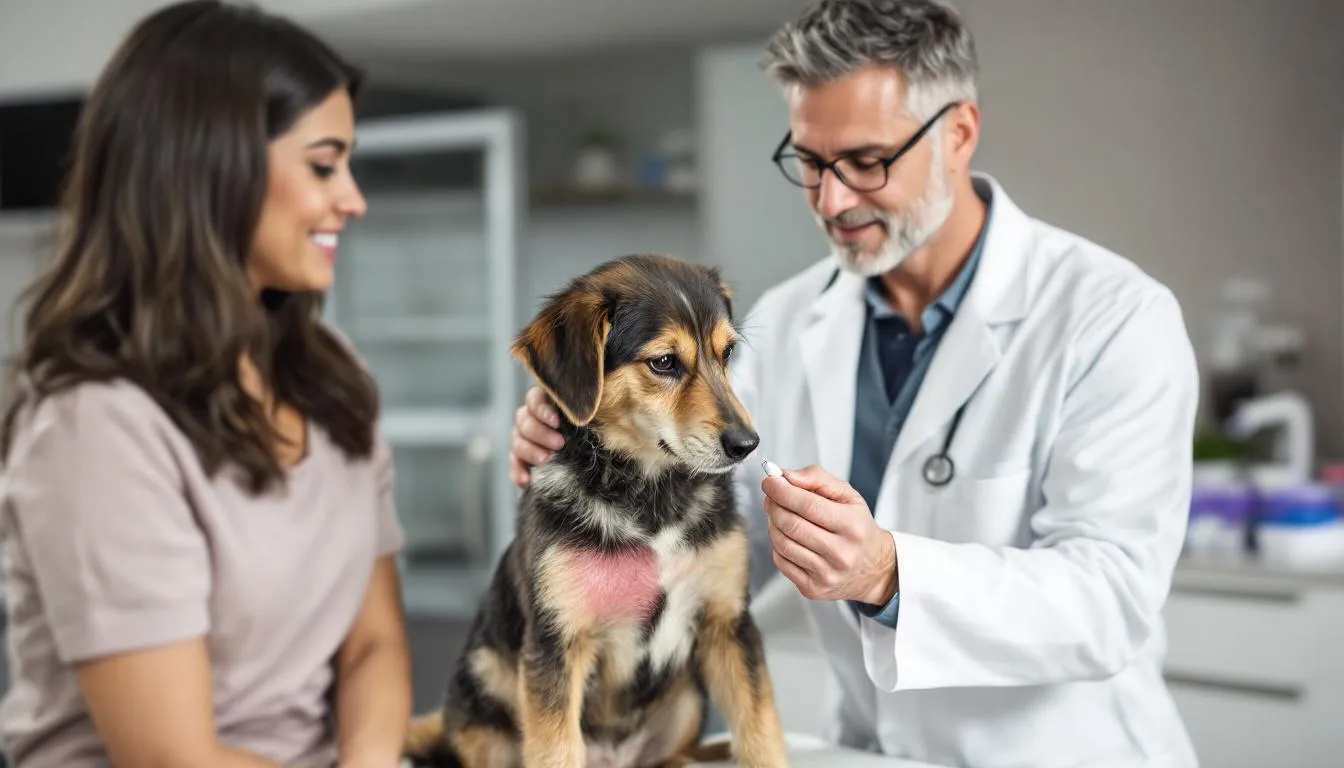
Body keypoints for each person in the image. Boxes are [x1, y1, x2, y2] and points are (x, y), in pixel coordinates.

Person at [508, 1, 1201, 766]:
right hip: (869, 750)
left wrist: (888, 572)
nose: (831, 201)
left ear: (958, 134)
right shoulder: (794, 316)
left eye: (867, 162)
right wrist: (590, 435)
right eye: (810, 161)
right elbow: (717, 521)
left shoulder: (1113, 318)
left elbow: (1113, 599)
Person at [0, 2, 411, 766]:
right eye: (324, 165)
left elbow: (374, 645)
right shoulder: (97, 425)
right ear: (214, 167)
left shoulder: (333, 374)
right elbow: (175, 758)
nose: (352, 198)